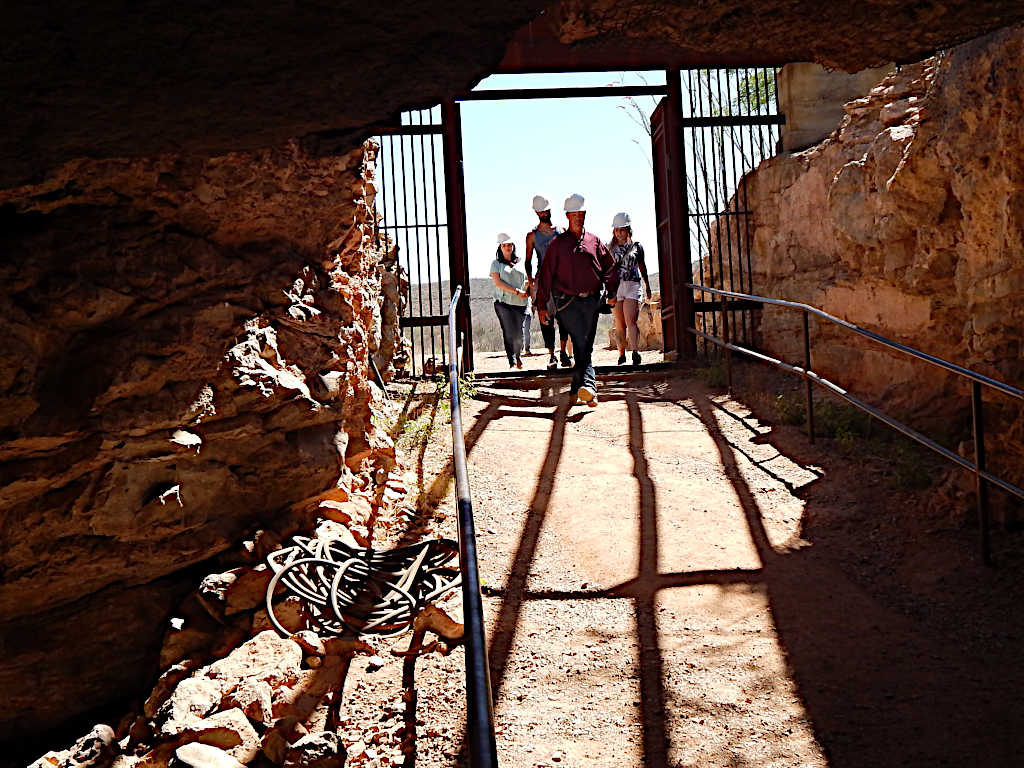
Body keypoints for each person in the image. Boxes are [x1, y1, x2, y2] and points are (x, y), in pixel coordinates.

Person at [535, 194, 618, 407]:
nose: (578, 218)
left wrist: (611, 291)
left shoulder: (594, 241)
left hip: (591, 302)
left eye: (581, 214)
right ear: (567, 216)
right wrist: (541, 305)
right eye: (574, 215)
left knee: (585, 347)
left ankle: (575, 390)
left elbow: (609, 266)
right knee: (581, 343)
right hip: (567, 304)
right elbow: (545, 276)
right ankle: (590, 387)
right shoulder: (557, 245)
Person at [525, 194, 572, 371]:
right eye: (541, 211)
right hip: (542, 279)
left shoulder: (561, 231)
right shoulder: (532, 236)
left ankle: (563, 352)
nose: (544, 213)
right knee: (546, 318)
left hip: (561, 279)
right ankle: (552, 355)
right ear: (537, 212)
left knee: (564, 317)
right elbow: (528, 261)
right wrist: (531, 282)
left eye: (546, 210)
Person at [608, 212, 653, 367]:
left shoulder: (637, 247)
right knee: (619, 323)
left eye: (622, 229)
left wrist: (648, 286)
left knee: (630, 320)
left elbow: (642, 266)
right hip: (616, 287)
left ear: (628, 229)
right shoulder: (610, 248)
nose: (619, 233)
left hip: (633, 285)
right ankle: (621, 353)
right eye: (616, 230)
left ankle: (635, 352)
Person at [490, 232, 530, 369]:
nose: (507, 247)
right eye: (504, 245)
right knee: (508, 330)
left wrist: (527, 290)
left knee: (519, 332)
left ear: (513, 246)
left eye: (509, 245)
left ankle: (518, 357)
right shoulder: (496, 264)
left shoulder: (520, 262)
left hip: (521, 303)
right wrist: (516, 291)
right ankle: (512, 361)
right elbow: (497, 282)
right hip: (503, 303)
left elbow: (527, 280)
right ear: (500, 248)